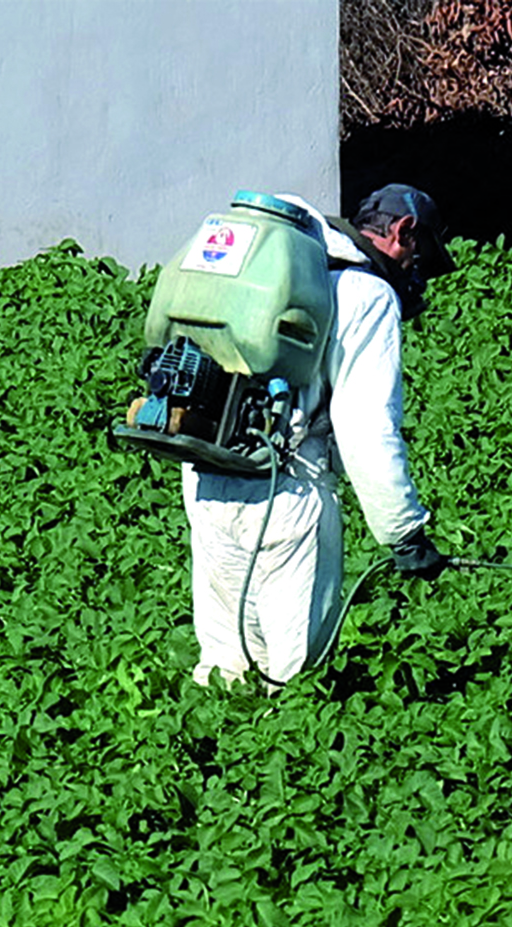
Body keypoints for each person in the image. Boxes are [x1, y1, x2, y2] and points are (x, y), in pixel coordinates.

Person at [181, 184, 451, 687]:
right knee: (294, 679)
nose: (416, 273)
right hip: (288, 493)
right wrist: (404, 533)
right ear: (403, 231)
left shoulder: (270, 268)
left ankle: (207, 734)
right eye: (420, 256)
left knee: (222, 665)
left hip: (207, 474)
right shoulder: (364, 293)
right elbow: (365, 425)